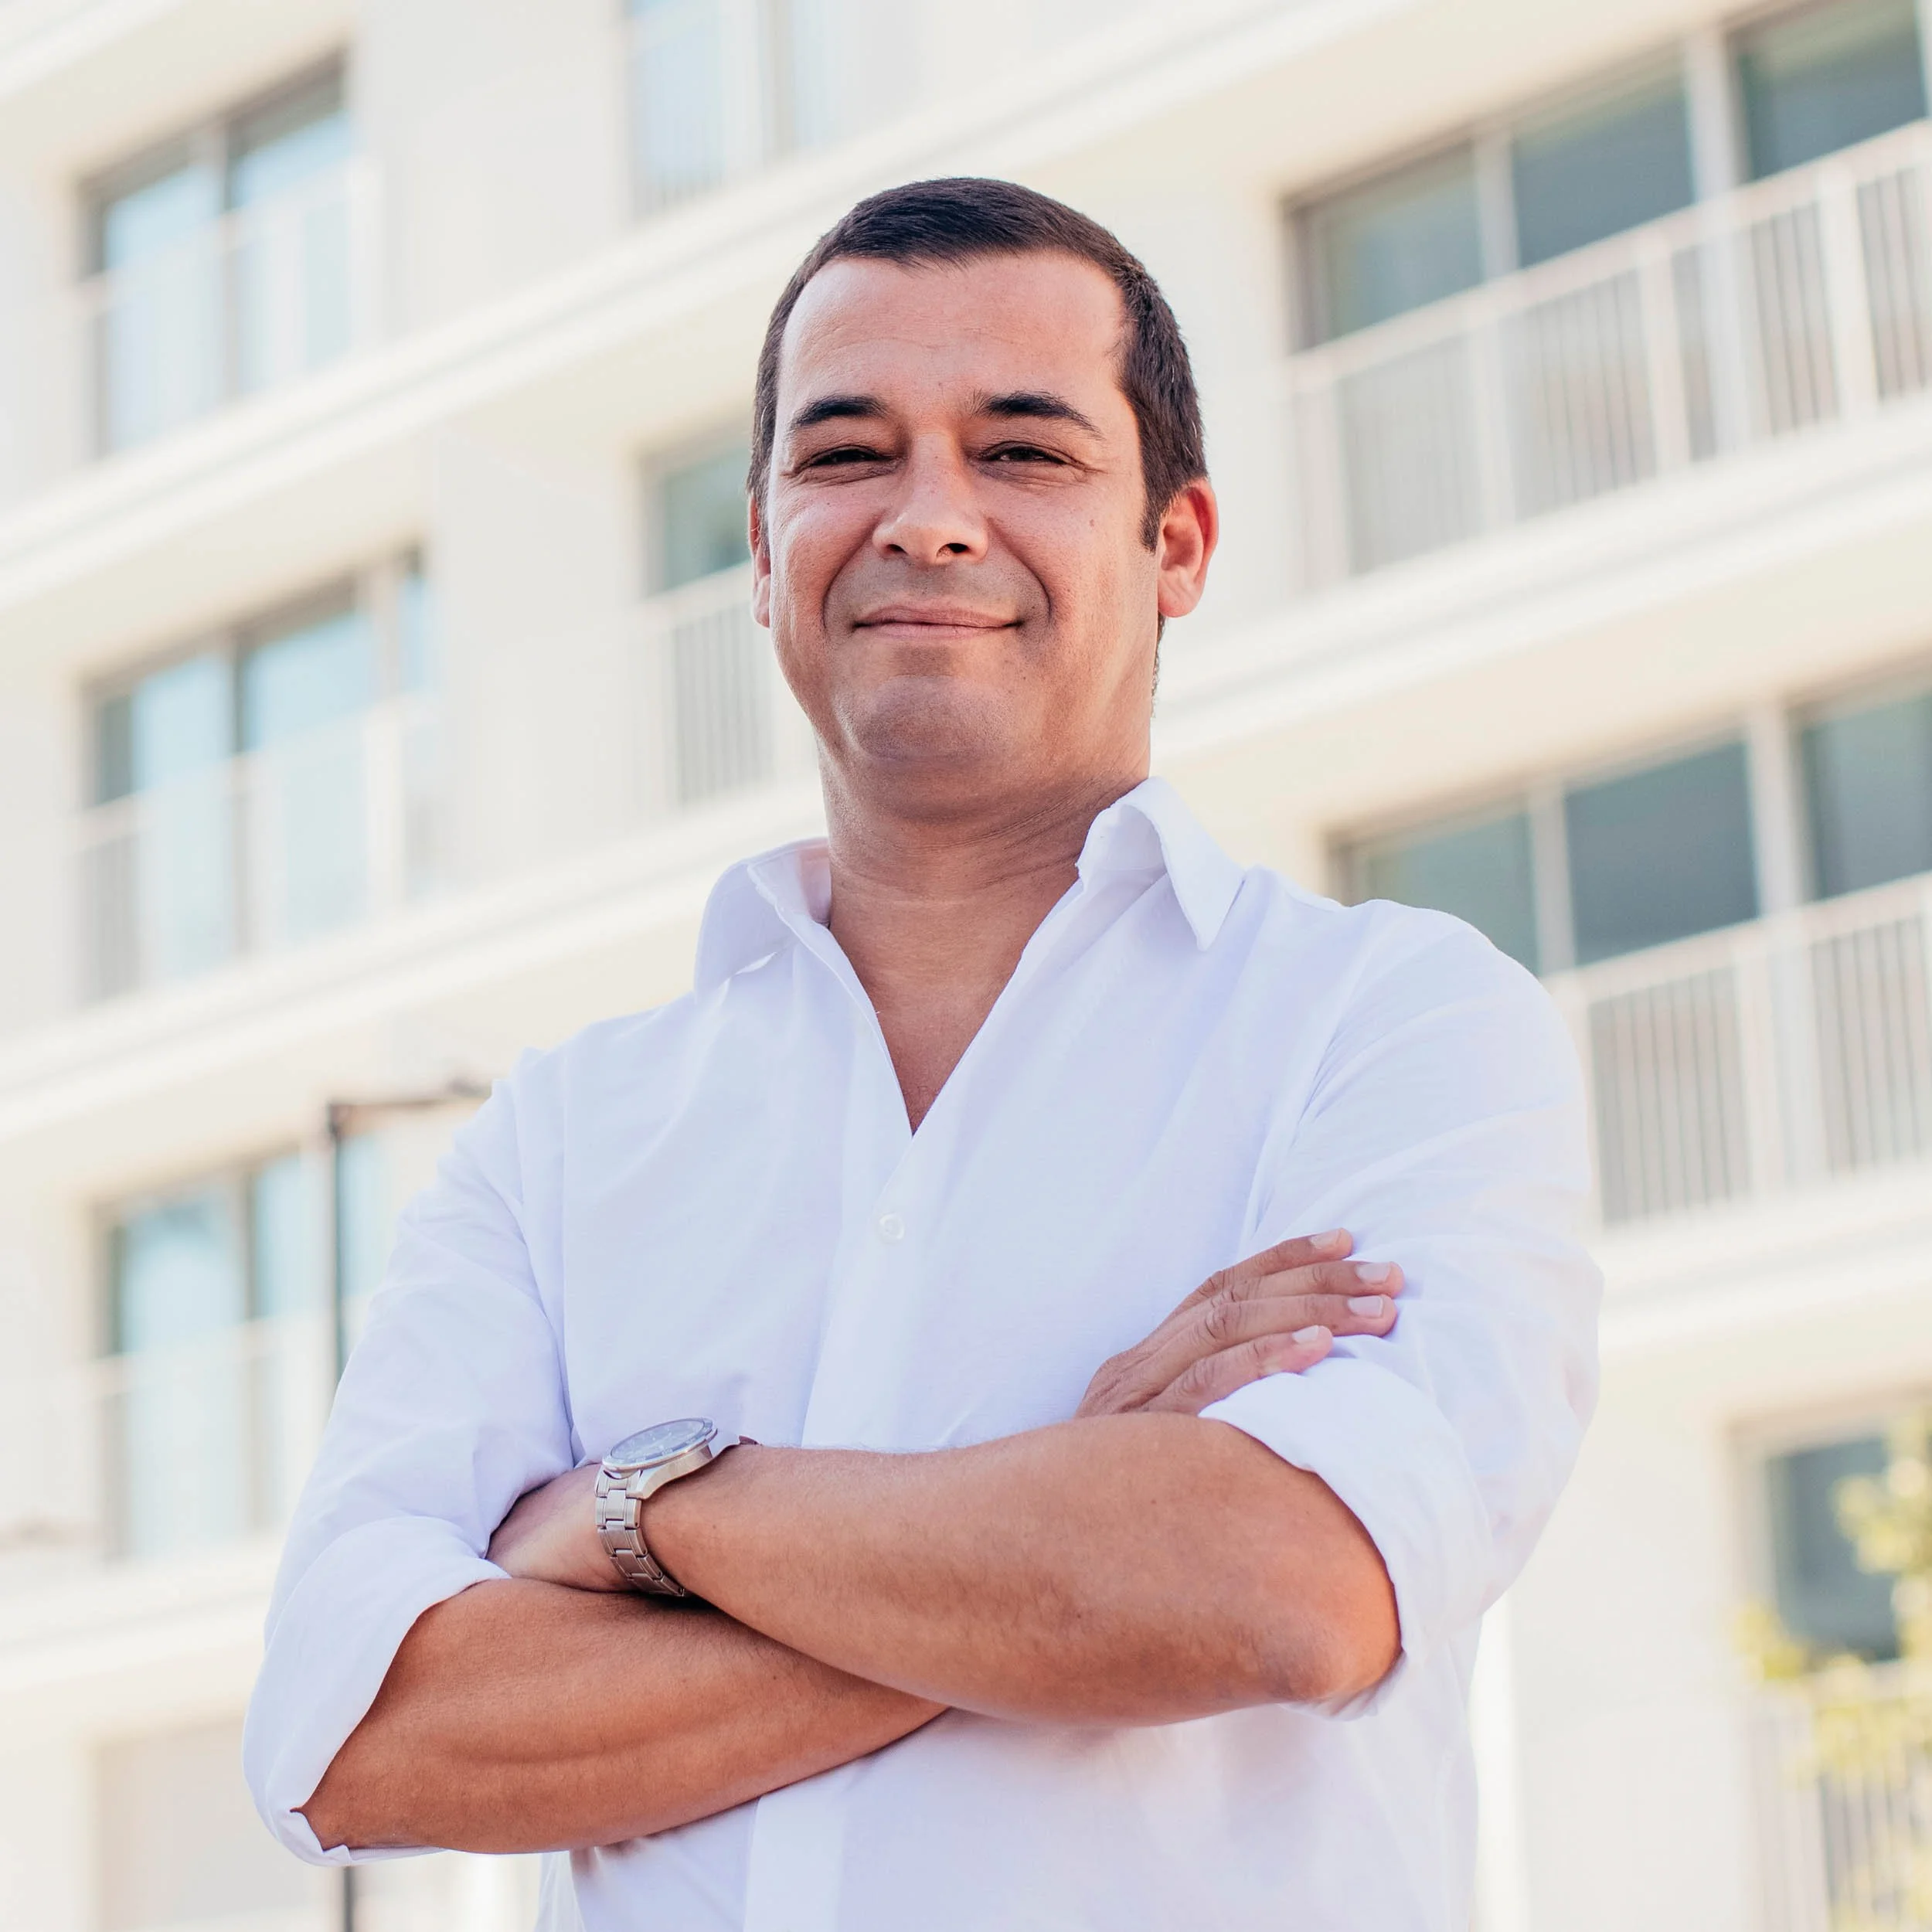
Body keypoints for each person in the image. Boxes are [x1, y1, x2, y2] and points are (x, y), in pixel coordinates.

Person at [244, 177, 1599, 1932]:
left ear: (1173, 543)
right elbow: (355, 1737)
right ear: (759, 545)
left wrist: (634, 1513)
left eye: (1023, 451)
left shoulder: (1393, 1023)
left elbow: (1283, 1586)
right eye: (847, 453)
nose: (929, 518)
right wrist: (1071, 1502)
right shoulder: (563, 1132)